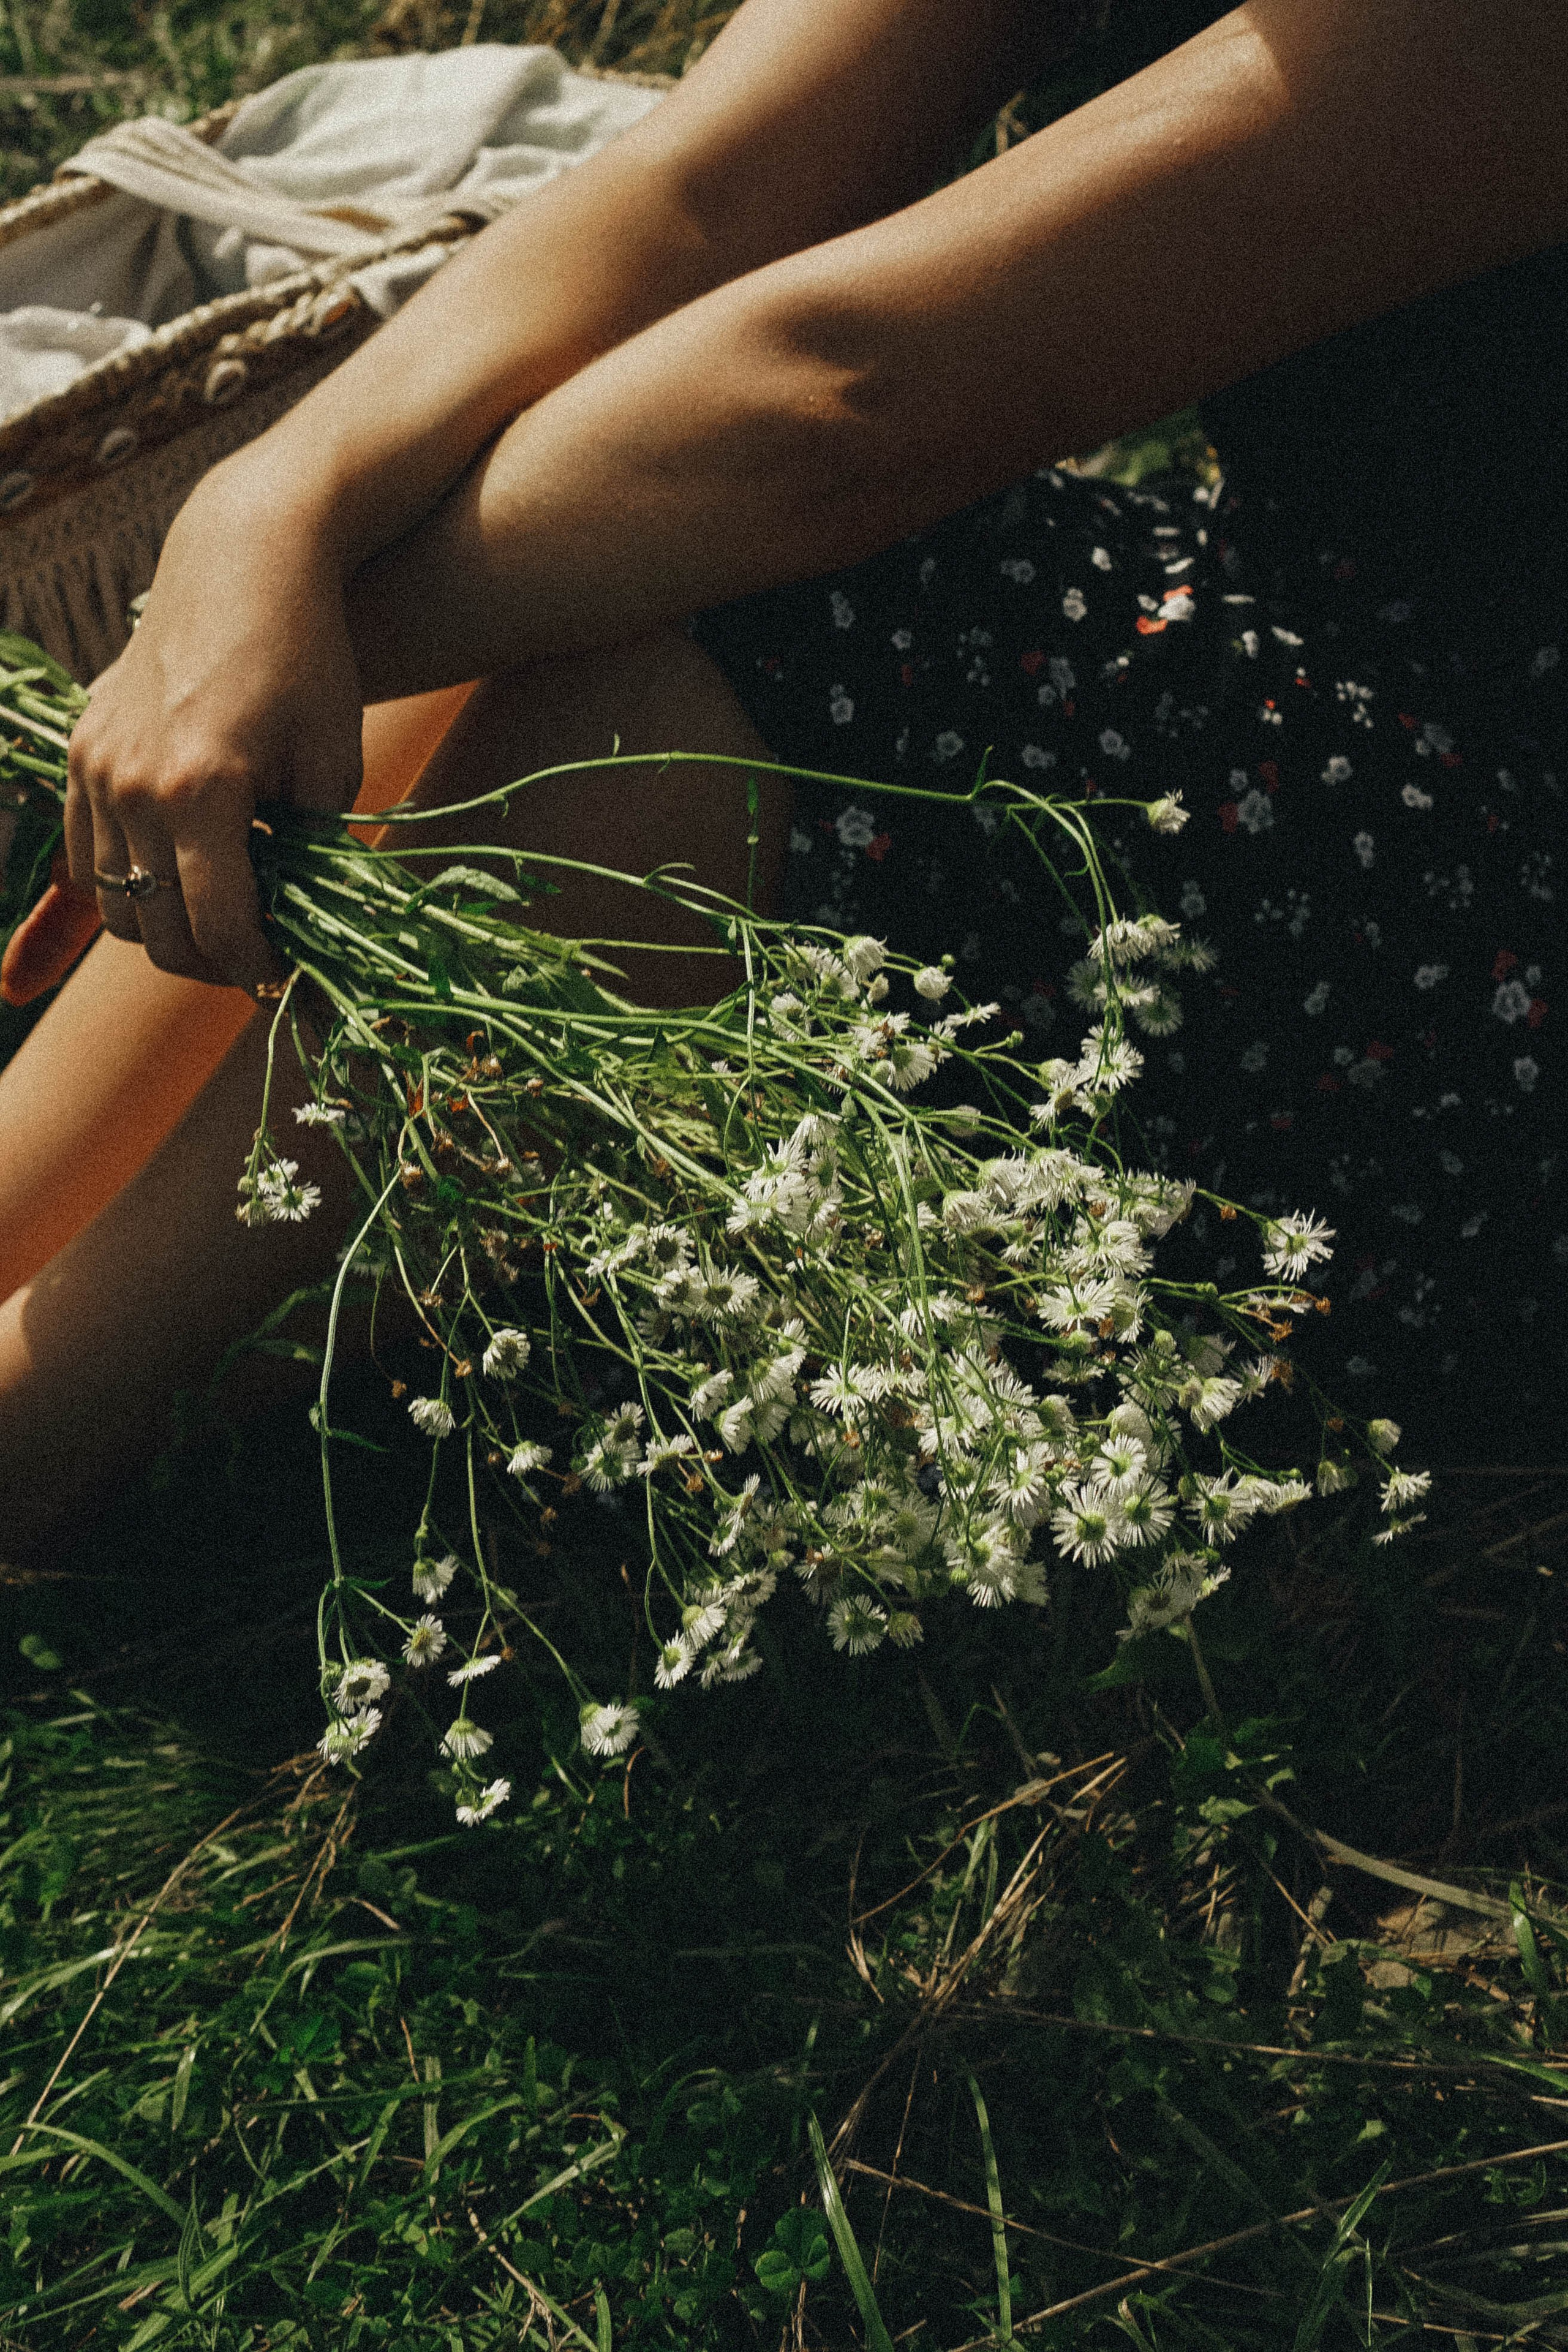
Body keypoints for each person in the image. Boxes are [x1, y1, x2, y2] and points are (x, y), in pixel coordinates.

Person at [0, 0, 1563, 1546]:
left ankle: (46, 1412)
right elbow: (704, 184)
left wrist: (255, 669)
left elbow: (851, 399)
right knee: (575, 489)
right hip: (1334, 662)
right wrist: (262, 520)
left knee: (743, 579)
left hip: (1500, 931)